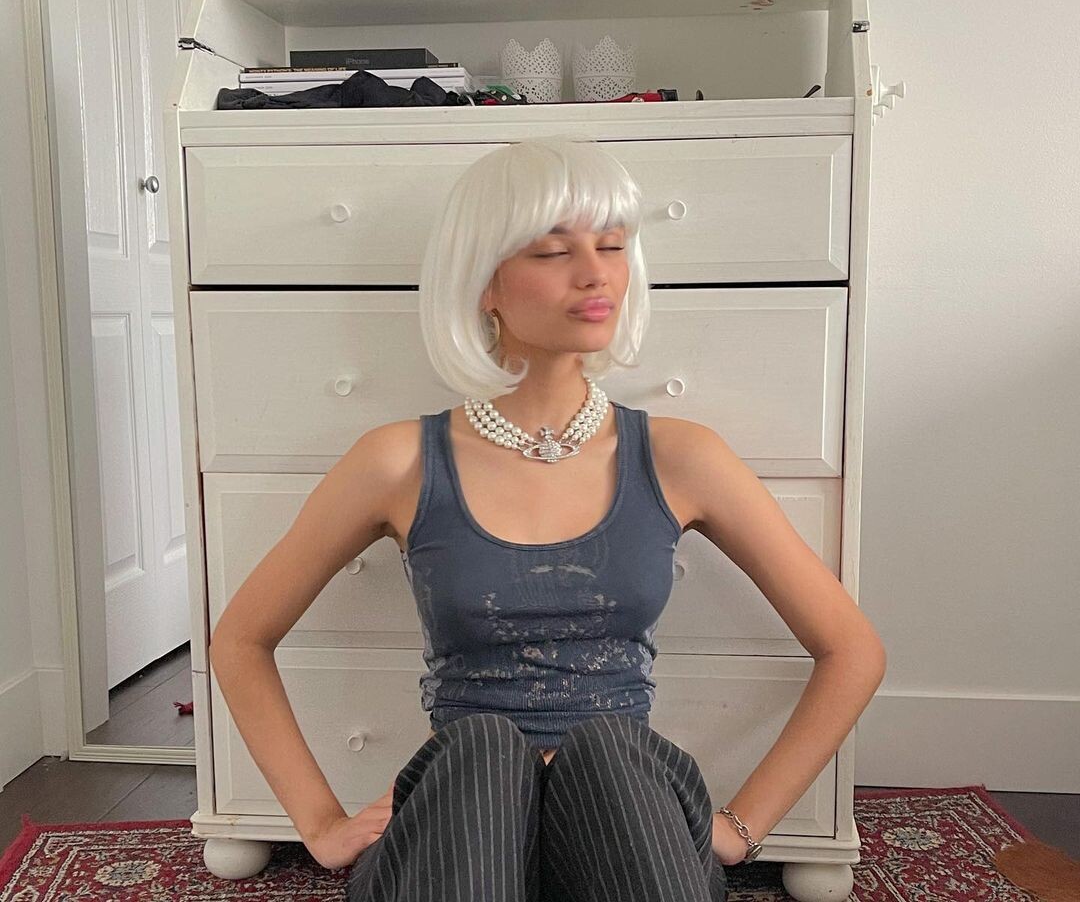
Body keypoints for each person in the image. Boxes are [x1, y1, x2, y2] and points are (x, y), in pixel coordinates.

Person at [208, 137, 886, 900]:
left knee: (611, 754)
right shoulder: (399, 462)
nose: (596, 273)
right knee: (483, 751)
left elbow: (851, 649)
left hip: (621, 827)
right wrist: (321, 824)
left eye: (613, 245)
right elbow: (240, 639)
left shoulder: (680, 457)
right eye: (553, 251)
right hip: (461, 834)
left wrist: (740, 827)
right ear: (484, 284)